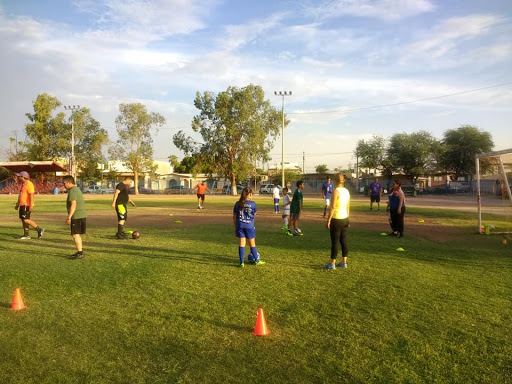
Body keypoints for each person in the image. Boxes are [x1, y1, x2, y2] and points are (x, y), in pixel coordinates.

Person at [233, 187, 265, 267]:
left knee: (241, 244)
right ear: (250, 194)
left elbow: (234, 216)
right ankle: (257, 260)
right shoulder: (253, 203)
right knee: (252, 244)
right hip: (249, 226)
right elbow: (254, 214)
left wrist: (235, 226)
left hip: (240, 225)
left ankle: (241, 262)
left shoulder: (237, 203)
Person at [325, 173, 350, 269]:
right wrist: (348, 218)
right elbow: (348, 206)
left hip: (336, 218)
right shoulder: (346, 191)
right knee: (343, 241)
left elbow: (332, 207)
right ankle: (344, 262)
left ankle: (332, 263)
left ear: (335, 180)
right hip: (344, 218)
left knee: (335, 242)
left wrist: (328, 220)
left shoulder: (336, 191)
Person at [14, 171, 45, 240]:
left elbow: (31, 195)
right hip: (22, 204)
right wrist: (17, 204)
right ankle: (26, 234)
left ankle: (39, 229)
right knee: (23, 220)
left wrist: (31, 205)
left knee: (26, 220)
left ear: (23, 177)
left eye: (20, 176)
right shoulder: (23, 184)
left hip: (26, 205)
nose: (18, 178)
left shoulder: (29, 184)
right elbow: (20, 195)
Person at [63, 175, 86, 259]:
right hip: (80, 215)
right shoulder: (76, 189)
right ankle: (79, 251)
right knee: (76, 234)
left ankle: (80, 252)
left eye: (64, 183)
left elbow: (73, 204)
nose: (64, 185)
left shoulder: (73, 190)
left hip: (77, 216)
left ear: (69, 182)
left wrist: (69, 217)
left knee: (75, 234)